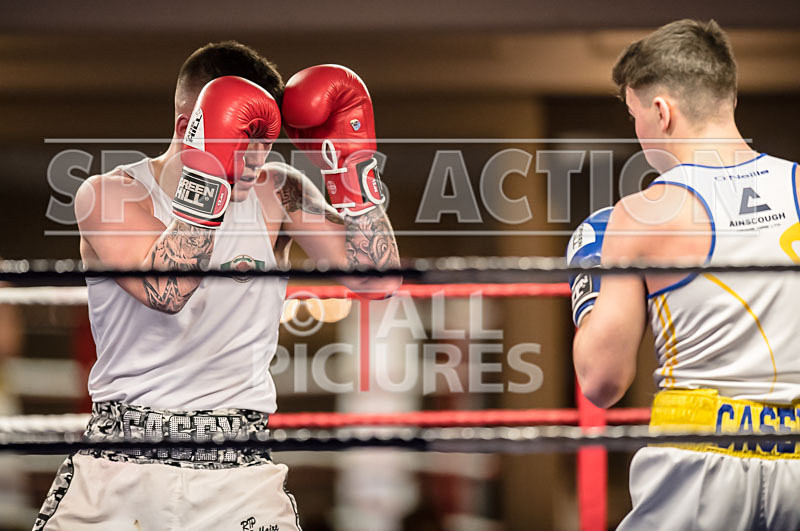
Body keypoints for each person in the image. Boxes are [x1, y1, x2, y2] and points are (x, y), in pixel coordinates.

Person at [35, 41, 401, 530]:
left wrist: (353, 171)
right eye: (243, 142)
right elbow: (169, 291)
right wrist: (209, 180)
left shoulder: (279, 191)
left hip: (238, 469)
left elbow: (377, 279)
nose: (255, 160)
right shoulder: (109, 194)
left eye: (266, 142)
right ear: (189, 127)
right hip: (122, 466)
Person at [567, 20, 800, 529]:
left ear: (660, 112)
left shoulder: (644, 213)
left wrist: (589, 288)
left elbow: (602, 381)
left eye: (634, 117)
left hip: (701, 464)